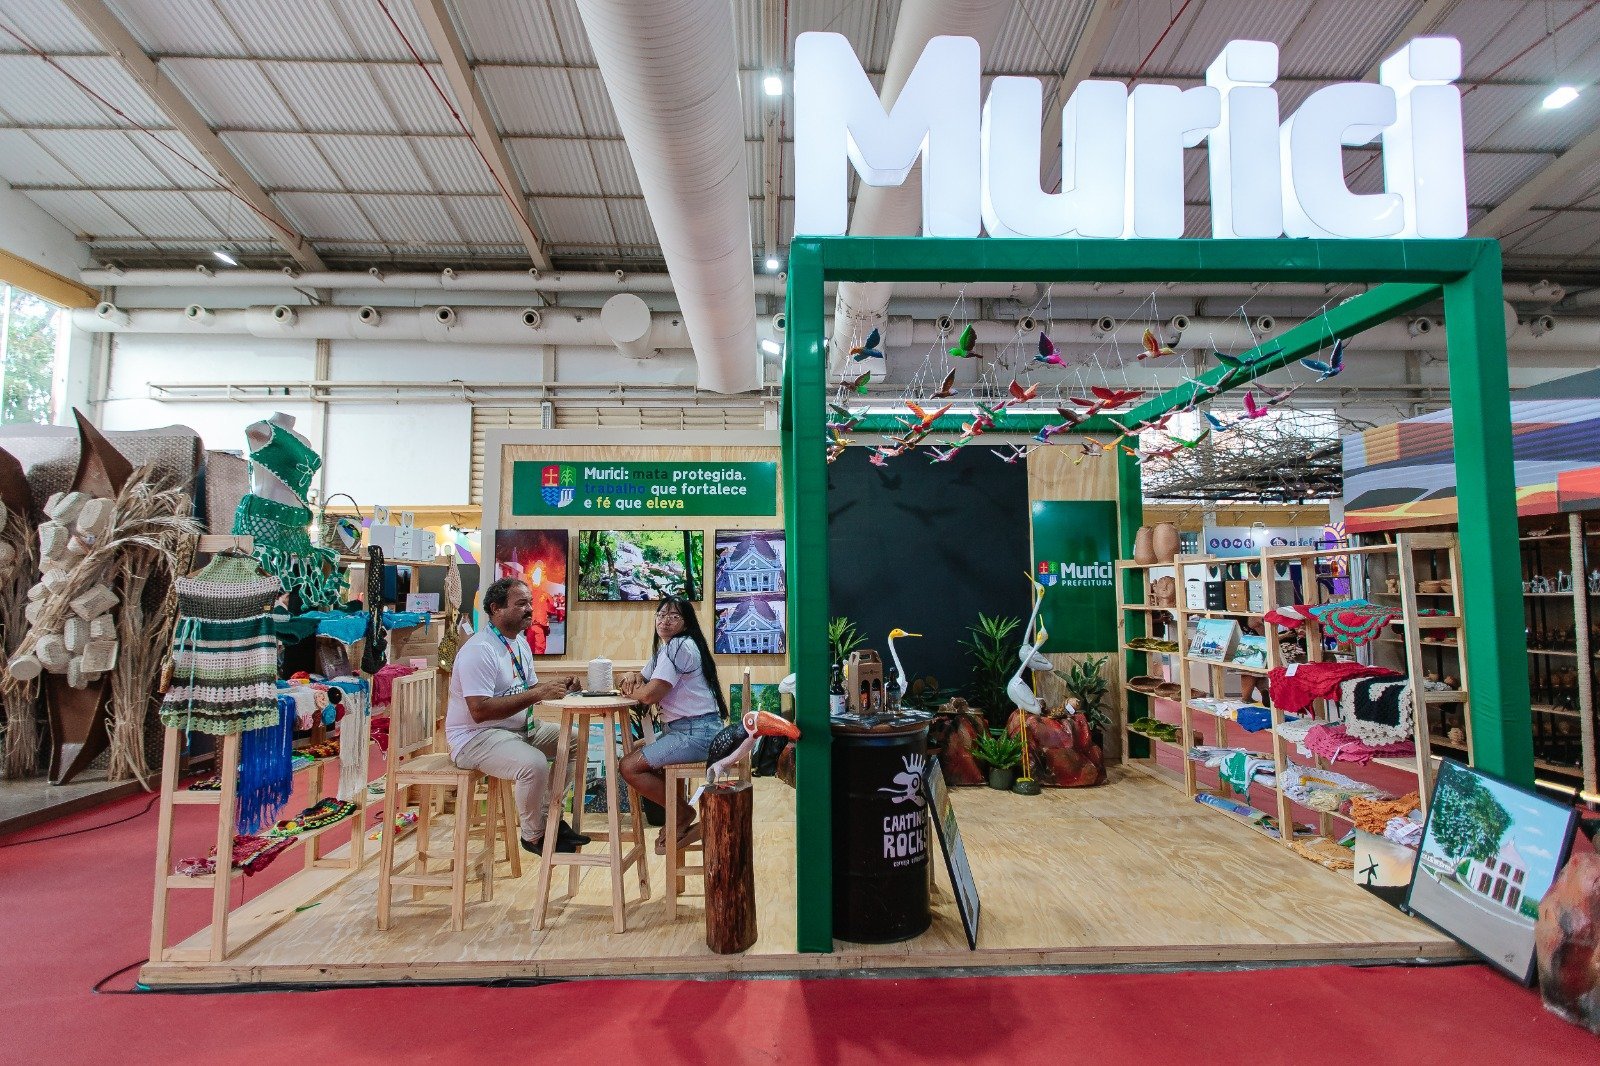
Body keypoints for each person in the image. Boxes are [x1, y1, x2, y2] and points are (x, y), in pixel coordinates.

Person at [446, 577, 589, 853]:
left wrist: (560, 688)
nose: (530, 609)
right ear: (496, 608)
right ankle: (533, 836)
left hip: (518, 730)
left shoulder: (519, 643)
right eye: (521, 604)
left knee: (576, 739)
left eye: (530, 603)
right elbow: (479, 710)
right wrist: (539, 693)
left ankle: (550, 819)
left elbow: (528, 689)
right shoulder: (480, 650)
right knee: (533, 764)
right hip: (475, 738)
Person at [619, 597, 728, 855]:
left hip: (695, 733)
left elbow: (649, 695)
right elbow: (641, 678)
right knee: (636, 748)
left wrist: (629, 689)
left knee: (629, 766)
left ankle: (681, 814)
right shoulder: (669, 648)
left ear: (686, 623)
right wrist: (631, 676)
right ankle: (677, 819)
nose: (665, 621)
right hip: (692, 729)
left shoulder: (678, 647)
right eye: (661, 615)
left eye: (674, 616)